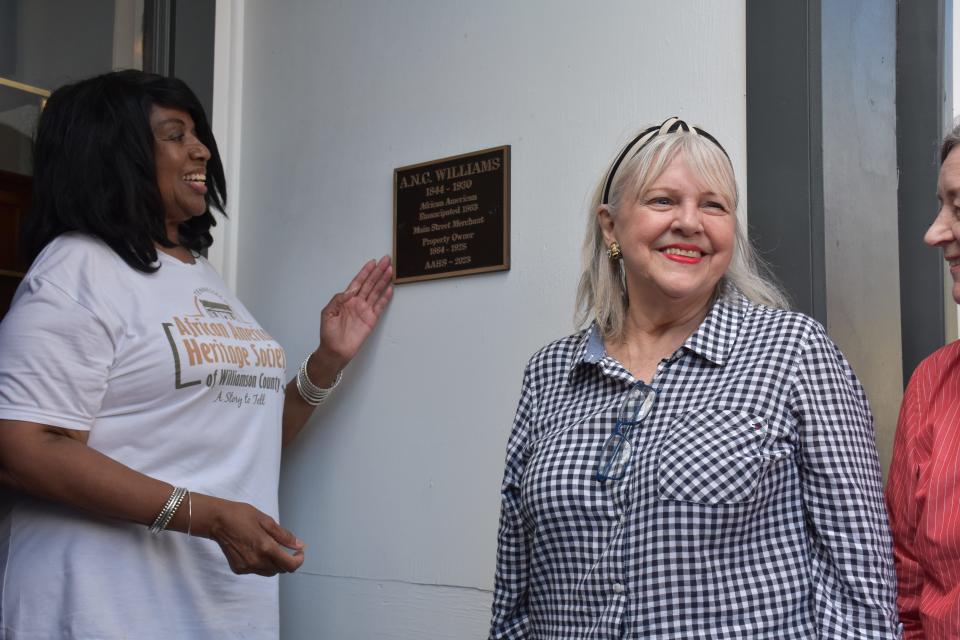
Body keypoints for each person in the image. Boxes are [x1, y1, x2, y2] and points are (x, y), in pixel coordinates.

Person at [0, 70, 393, 639]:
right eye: (174, 133)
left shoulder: (200, 276)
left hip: (219, 609)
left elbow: (238, 440)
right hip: (101, 608)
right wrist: (206, 517)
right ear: (116, 153)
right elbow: (23, 445)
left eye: (197, 133)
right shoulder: (75, 269)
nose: (201, 148)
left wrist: (326, 362)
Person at [489, 117, 901, 638]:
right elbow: (515, 593)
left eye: (714, 205)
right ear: (610, 226)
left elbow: (859, 586)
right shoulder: (549, 373)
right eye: (663, 201)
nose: (690, 222)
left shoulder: (794, 352)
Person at [886, 121, 960, 639]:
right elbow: (906, 590)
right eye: (941, 204)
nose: (933, 232)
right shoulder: (932, 384)